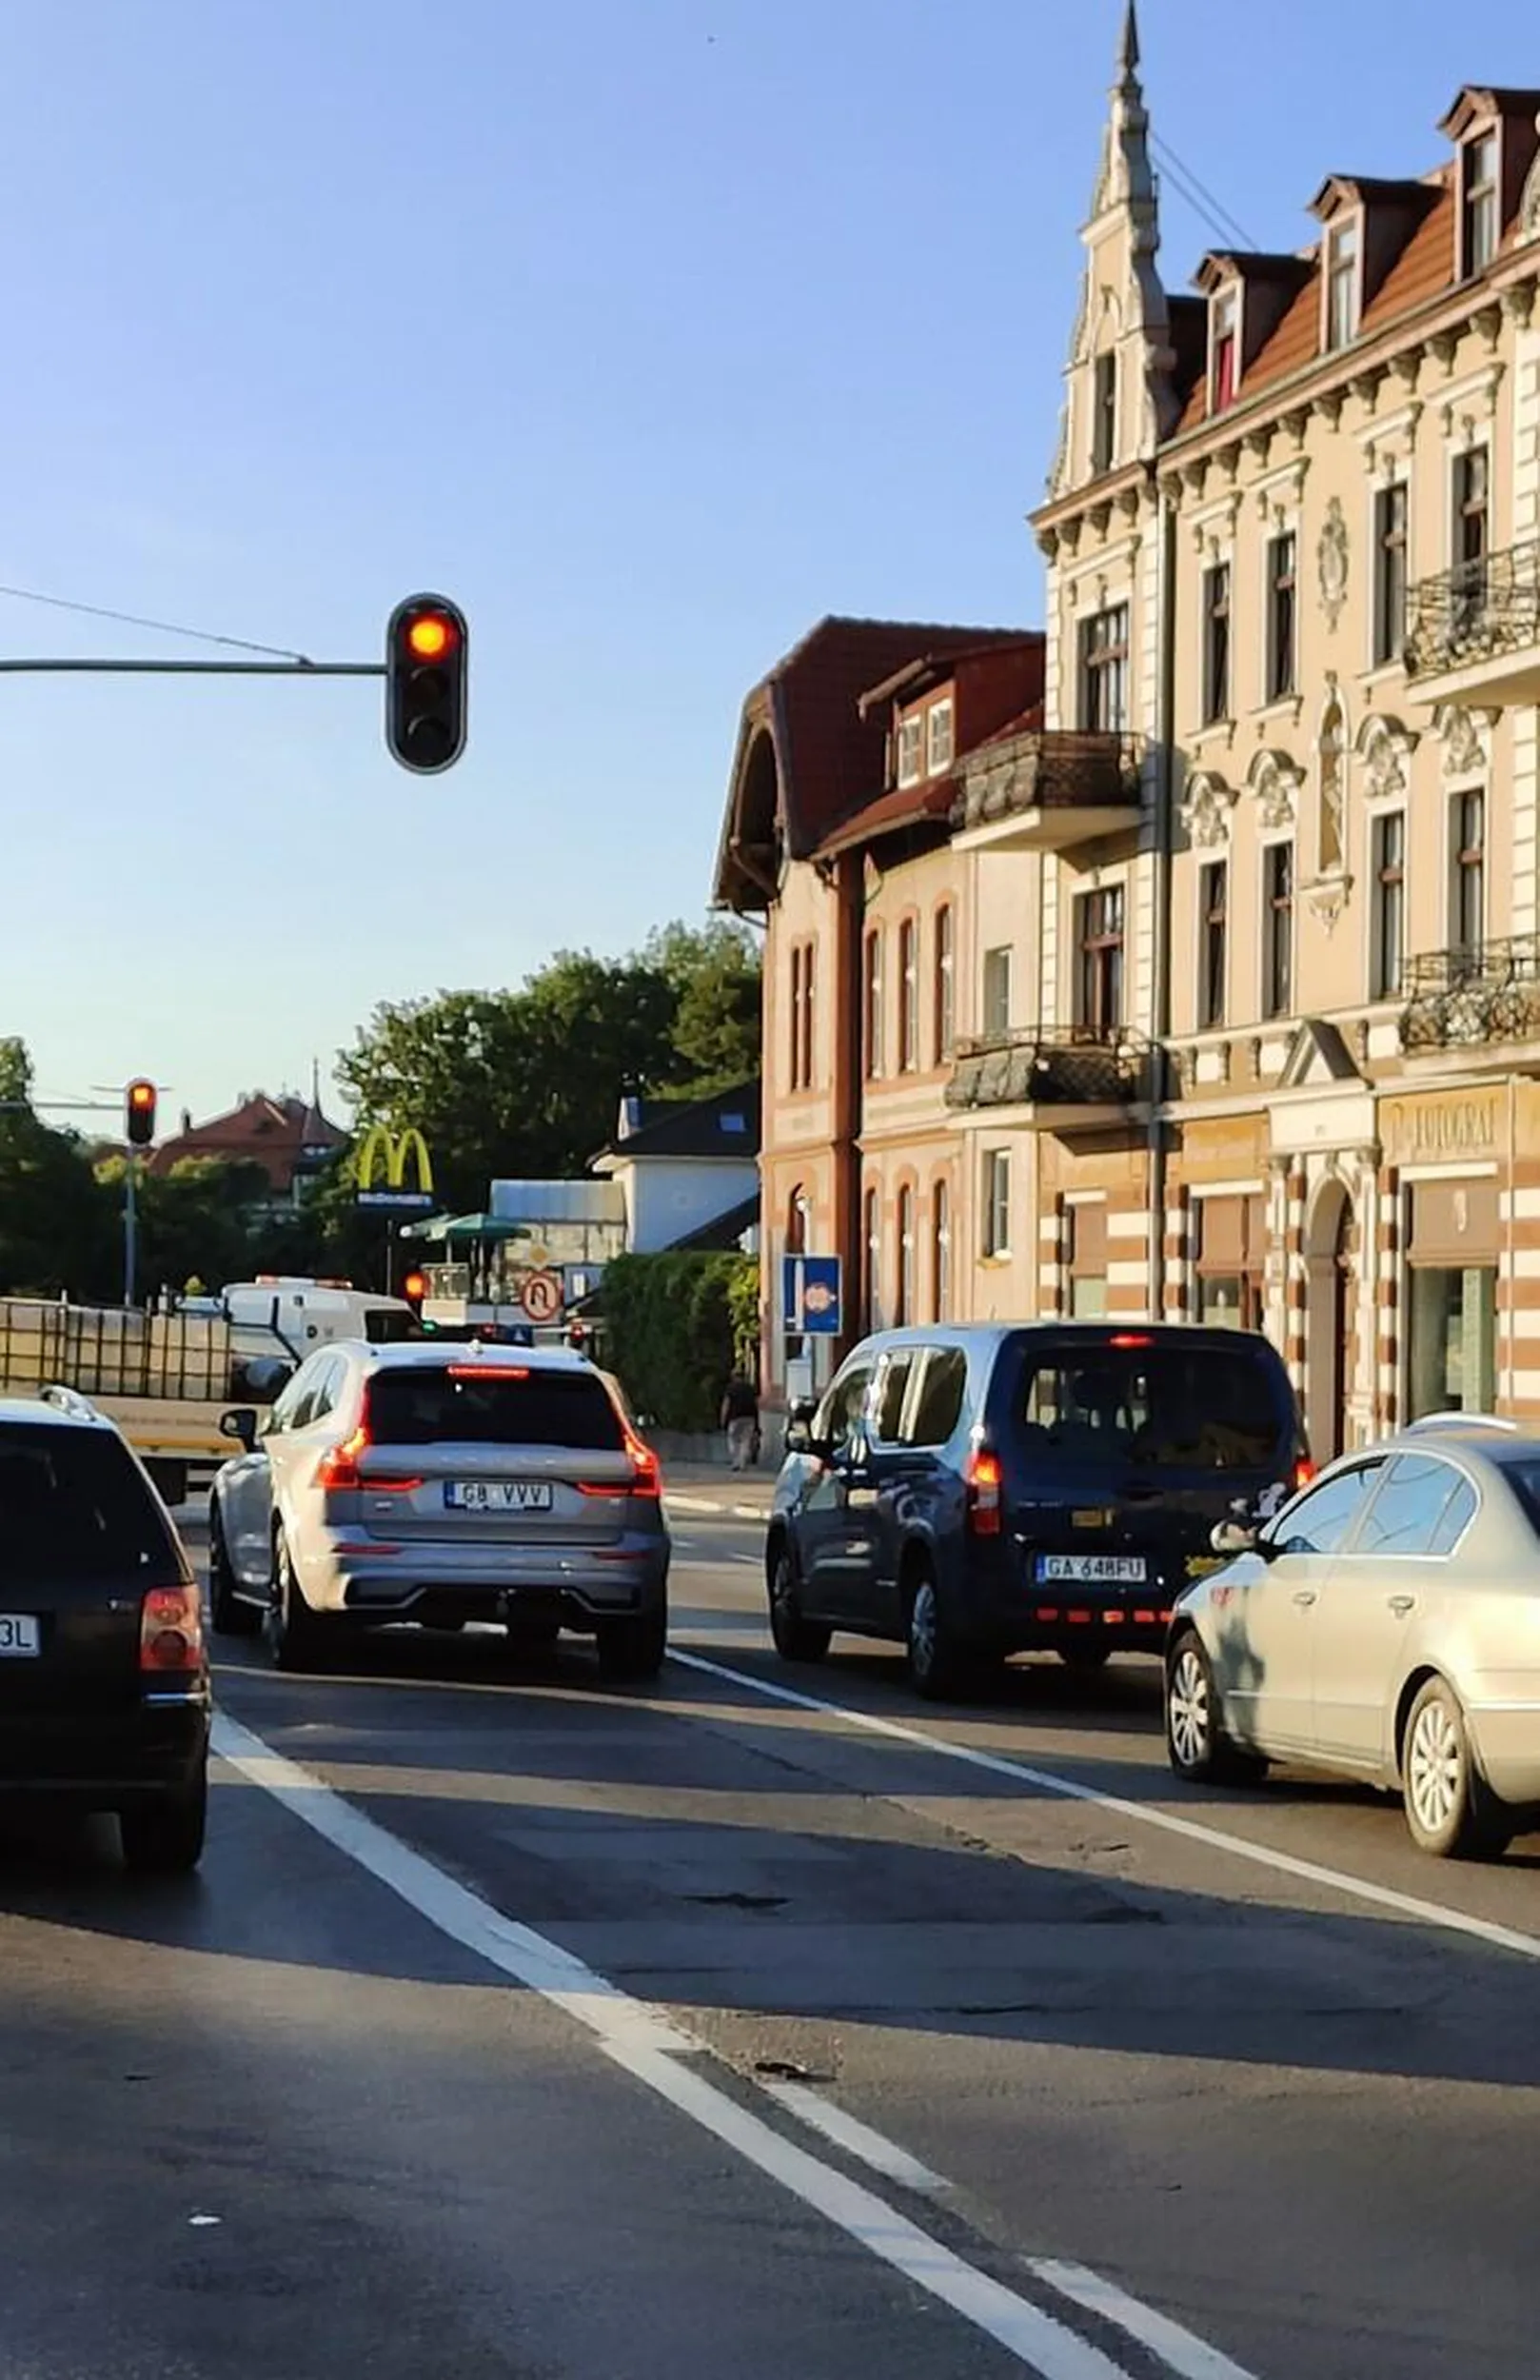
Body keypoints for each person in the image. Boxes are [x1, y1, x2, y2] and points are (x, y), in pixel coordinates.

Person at [720, 1371, 760, 1471]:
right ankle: (742, 1463)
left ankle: (736, 1462)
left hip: (735, 1418)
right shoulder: (750, 1388)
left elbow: (726, 1404)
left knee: (733, 1440)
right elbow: (756, 1403)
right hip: (750, 1418)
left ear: (734, 1377)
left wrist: (723, 1419)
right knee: (745, 1441)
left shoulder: (731, 1388)